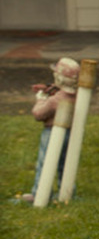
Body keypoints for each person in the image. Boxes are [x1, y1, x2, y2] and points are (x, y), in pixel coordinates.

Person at [15, 58, 79, 204]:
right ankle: (67, 193)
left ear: (59, 77)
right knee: (65, 163)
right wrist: (49, 88)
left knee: (44, 163)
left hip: (52, 133)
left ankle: (40, 193)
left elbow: (38, 114)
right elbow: (63, 90)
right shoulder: (77, 95)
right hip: (70, 133)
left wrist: (41, 99)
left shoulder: (54, 100)